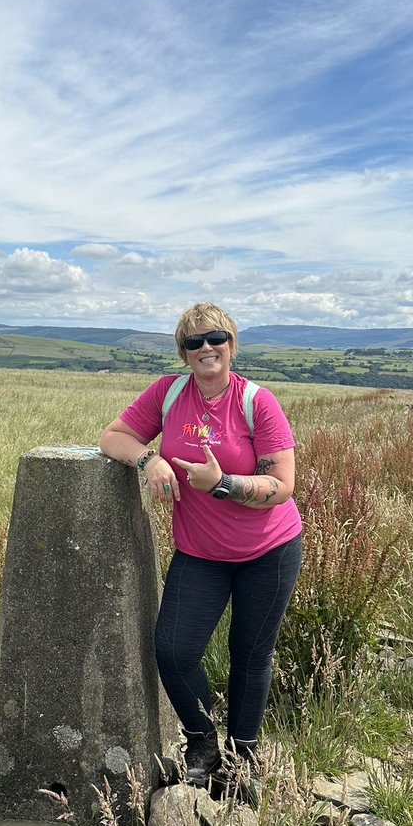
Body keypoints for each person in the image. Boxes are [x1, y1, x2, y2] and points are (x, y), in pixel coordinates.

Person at [99, 302, 302, 788]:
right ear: (183, 352)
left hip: (269, 551)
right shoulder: (168, 395)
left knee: (249, 655)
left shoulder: (257, 402)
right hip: (201, 553)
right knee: (172, 649)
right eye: (194, 342)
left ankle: (243, 756)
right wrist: (149, 459)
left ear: (231, 345)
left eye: (216, 339)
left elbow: (283, 485)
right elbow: (112, 437)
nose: (206, 348)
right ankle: (202, 740)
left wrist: (223, 484)